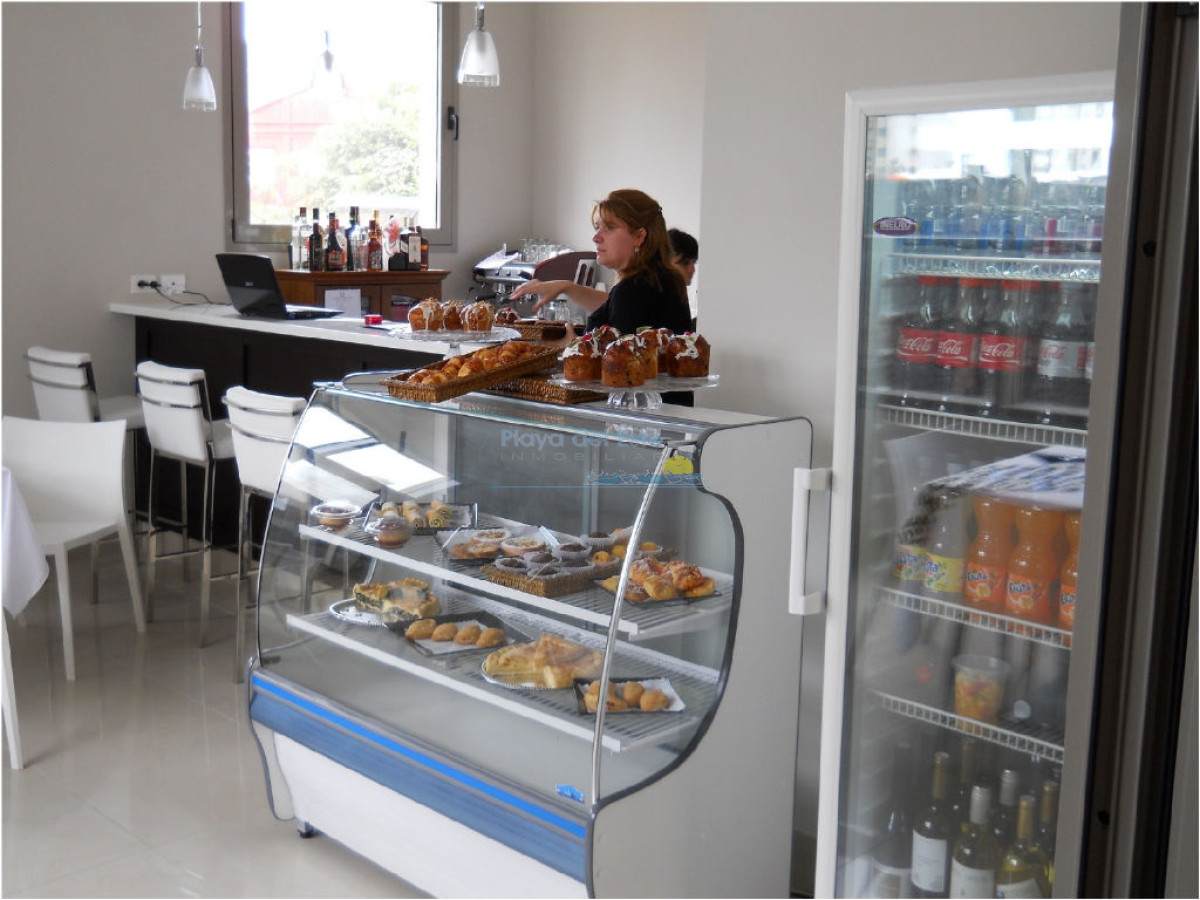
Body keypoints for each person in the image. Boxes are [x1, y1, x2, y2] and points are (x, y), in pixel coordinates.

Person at [510, 189, 692, 336]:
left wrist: (572, 347)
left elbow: (616, 363)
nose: (596, 237)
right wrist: (567, 287)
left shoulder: (633, 289)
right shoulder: (659, 279)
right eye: (598, 227)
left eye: (609, 228)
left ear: (639, 236)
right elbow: (616, 307)